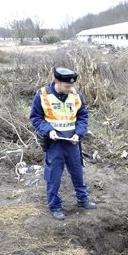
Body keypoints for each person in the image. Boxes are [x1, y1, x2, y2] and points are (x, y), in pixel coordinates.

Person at [30, 67, 97, 220]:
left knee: (78, 173)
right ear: (57, 82)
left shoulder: (76, 95)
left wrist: (78, 134)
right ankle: (55, 206)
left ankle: (82, 199)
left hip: (72, 142)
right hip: (54, 144)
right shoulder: (43, 95)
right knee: (53, 176)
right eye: (67, 86)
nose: (71, 89)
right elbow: (36, 118)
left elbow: (82, 117)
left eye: (72, 86)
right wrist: (48, 130)